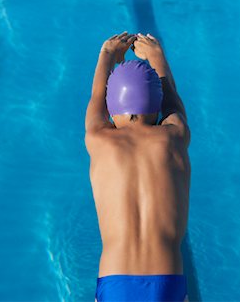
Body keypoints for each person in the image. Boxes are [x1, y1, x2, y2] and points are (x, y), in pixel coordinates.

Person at [85, 31, 191, 302]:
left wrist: (107, 54)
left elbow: (96, 96)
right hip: (167, 280)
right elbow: (173, 99)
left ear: (112, 109)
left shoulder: (98, 138)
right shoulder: (174, 135)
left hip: (115, 280)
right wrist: (156, 56)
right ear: (155, 109)